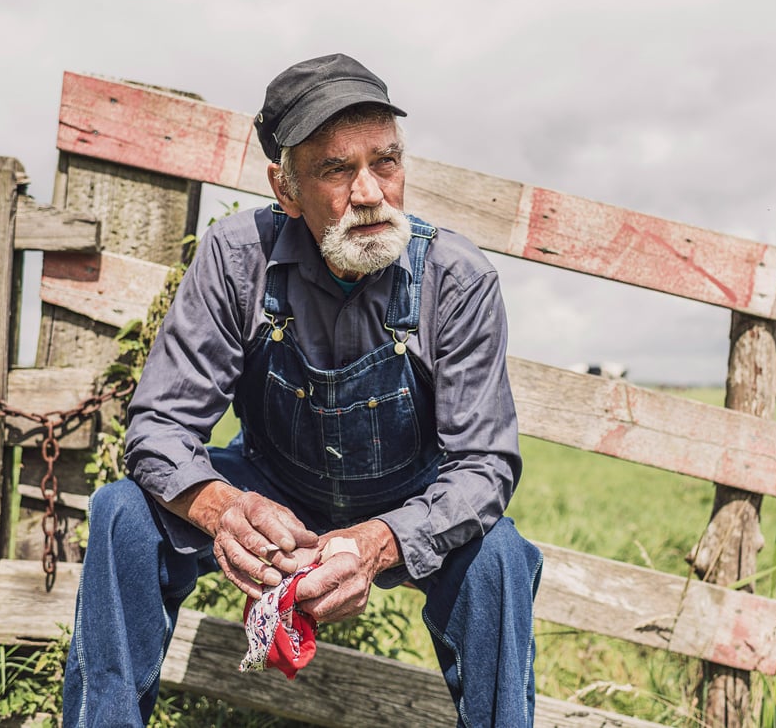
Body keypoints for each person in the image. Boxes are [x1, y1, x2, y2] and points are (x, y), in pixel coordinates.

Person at [62, 53, 543, 727]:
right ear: (284, 189)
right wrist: (223, 508)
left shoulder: (454, 280)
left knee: (499, 558)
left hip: (404, 500)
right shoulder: (237, 258)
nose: (371, 191)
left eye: (385, 161)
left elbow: (484, 466)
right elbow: (159, 428)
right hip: (269, 485)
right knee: (124, 515)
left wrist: (377, 543)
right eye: (336, 169)